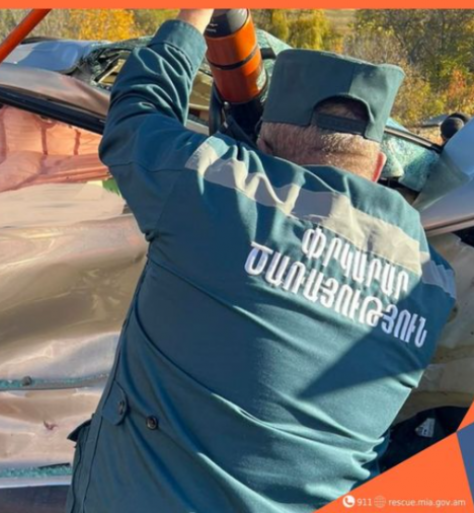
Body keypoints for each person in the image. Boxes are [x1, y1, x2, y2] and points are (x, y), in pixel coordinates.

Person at [67, 9, 456, 513]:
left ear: (264, 145)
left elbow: (136, 115)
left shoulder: (217, 193)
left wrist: (192, 15)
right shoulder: (434, 283)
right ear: (378, 165)